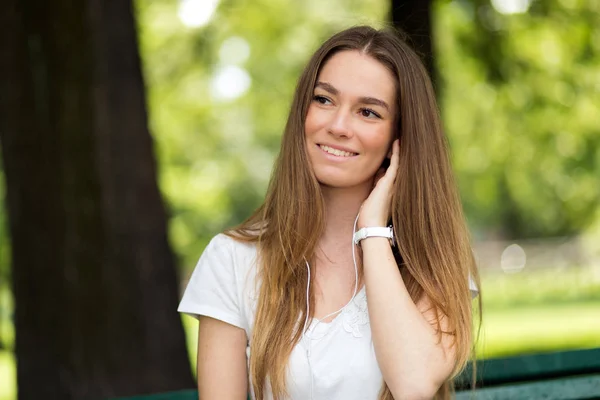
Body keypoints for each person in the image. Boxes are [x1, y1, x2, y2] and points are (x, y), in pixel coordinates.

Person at [178, 25, 481, 400]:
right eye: (324, 100)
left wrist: (372, 230)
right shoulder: (232, 260)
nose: (338, 126)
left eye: (368, 112)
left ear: (397, 140)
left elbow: (414, 383)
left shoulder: (430, 259)